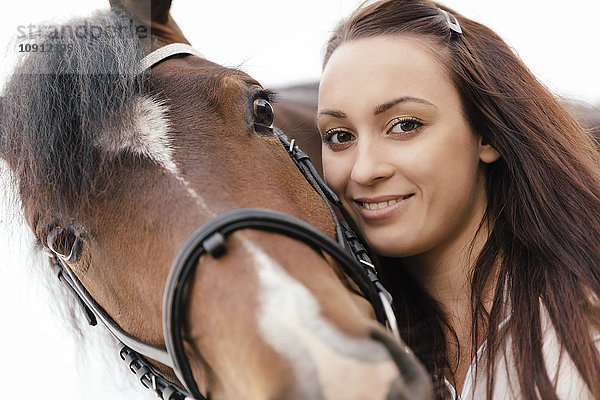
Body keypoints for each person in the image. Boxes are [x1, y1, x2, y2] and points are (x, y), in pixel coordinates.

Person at [316, 1, 600, 399]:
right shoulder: (341, 352)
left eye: (404, 125)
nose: (363, 171)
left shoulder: (587, 318)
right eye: (339, 136)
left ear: (487, 134)